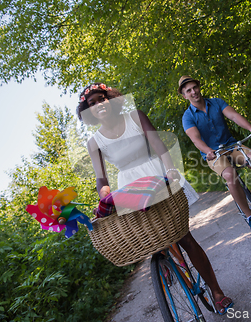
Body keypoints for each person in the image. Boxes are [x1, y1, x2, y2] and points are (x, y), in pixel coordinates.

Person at [76, 82, 233, 315]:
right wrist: (105, 194)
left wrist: (170, 169)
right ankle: (166, 260)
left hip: (156, 175)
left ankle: (217, 293)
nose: (99, 105)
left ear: (111, 99)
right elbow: (101, 179)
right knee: (153, 237)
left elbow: (158, 144)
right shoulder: (94, 142)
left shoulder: (135, 117)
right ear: (87, 111)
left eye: (102, 99)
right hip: (129, 187)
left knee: (184, 237)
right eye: (92, 103)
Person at [179, 76, 251, 234]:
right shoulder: (188, 117)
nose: (194, 92)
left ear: (199, 87)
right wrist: (207, 151)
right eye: (188, 90)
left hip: (231, 145)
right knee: (230, 175)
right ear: (184, 95)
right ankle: (250, 217)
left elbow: (233, 116)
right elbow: (195, 138)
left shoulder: (216, 102)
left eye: (195, 87)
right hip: (213, 154)